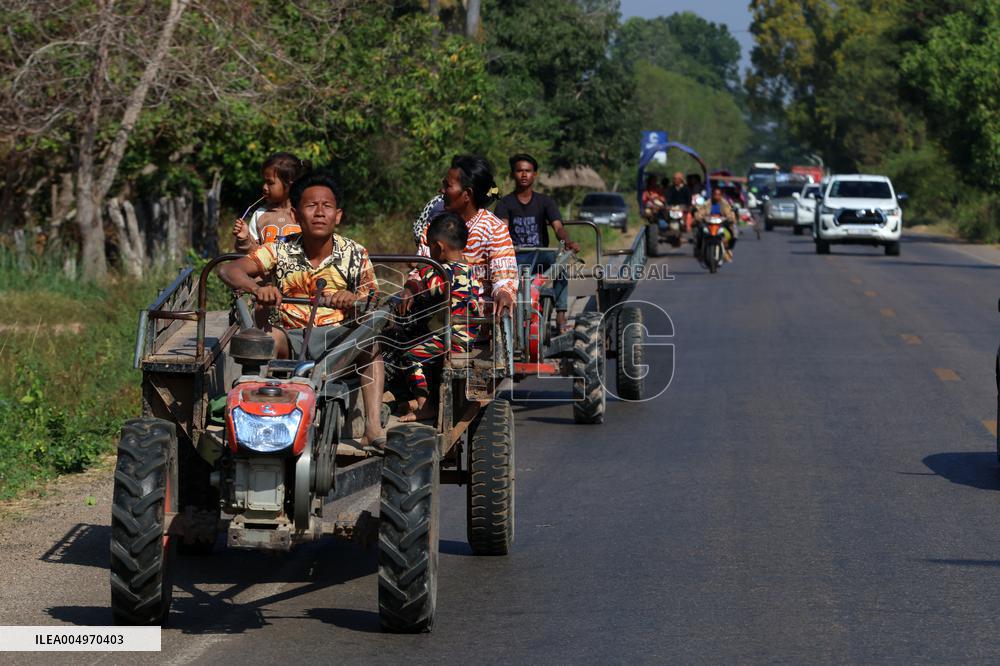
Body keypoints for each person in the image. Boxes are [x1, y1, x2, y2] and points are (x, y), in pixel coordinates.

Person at [218, 170, 386, 448]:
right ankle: (258, 419)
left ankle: (372, 427)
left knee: (371, 345)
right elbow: (229, 270)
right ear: (296, 215)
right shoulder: (278, 250)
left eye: (327, 206)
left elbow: (372, 301)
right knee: (266, 339)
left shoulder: (355, 253)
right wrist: (259, 289)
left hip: (340, 340)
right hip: (292, 337)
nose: (319, 213)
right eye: (311, 206)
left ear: (338, 215)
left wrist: (352, 299)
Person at [397, 213, 482, 422]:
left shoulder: (444, 273)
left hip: (453, 337)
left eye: (430, 249)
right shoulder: (468, 270)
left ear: (438, 247)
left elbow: (436, 289)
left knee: (409, 356)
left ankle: (425, 406)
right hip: (466, 335)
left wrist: (420, 266)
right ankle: (418, 400)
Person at [416, 155, 517, 315]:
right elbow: (420, 269)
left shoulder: (494, 230)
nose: (441, 190)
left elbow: (504, 279)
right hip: (435, 320)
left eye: (447, 185)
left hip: (476, 325)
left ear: (467, 194)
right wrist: (410, 287)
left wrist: (503, 293)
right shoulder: (434, 228)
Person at [494, 153, 579, 332]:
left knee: (560, 264)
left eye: (528, 171)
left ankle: (561, 317)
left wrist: (568, 241)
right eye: (519, 171)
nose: (524, 175)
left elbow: (558, 227)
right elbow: (502, 229)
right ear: (513, 174)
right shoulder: (504, 203)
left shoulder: (545, 201)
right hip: (514, 257)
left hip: (540, 255)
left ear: (535, 174)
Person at [232, 152, 310, 253]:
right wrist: (244, 239)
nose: (264, 187)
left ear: (290, 183)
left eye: (270, 183)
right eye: (264, 182)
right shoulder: (259, 214)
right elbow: (251, 256)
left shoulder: (306, 213)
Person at [694, 187, 737, 262]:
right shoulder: (707, 204)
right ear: (712, 195)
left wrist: (729, 218)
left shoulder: (725, 204)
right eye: (715, 194)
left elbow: (730, 214)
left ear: (721, 195)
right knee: (699, 234)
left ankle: (727, 250)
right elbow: (700, 213)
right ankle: (699, 251)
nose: (716, 197)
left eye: (718, 195)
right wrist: (700, 217)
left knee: (732, 234)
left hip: (721, 225)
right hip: (709, 225)